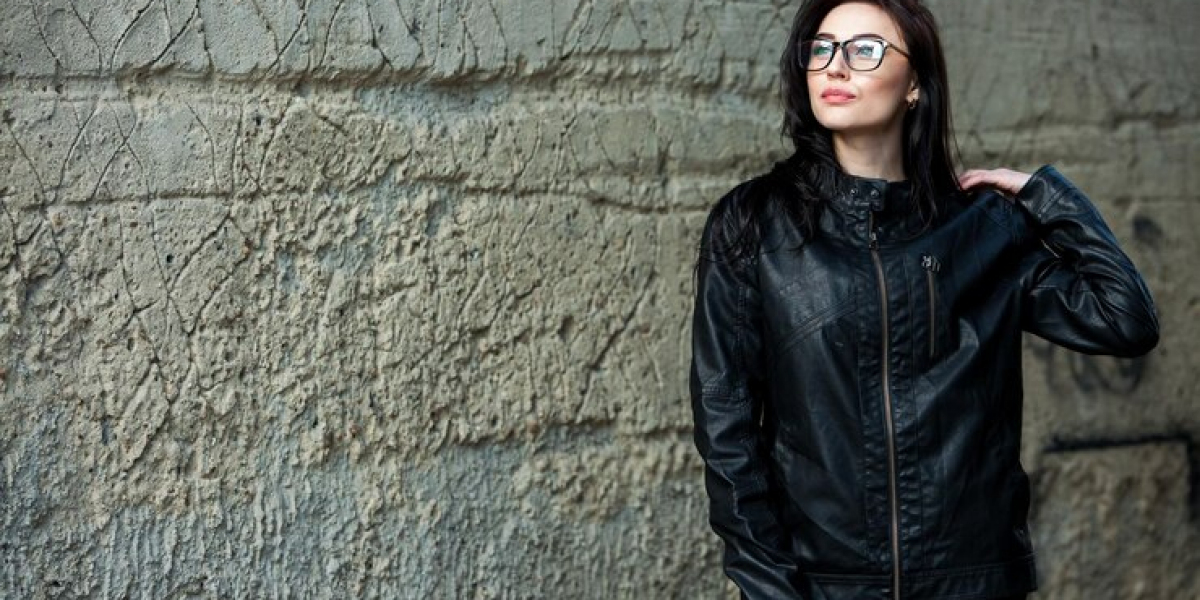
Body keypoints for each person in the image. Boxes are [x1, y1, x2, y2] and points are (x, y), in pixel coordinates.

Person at [687, 1, 1160, 599]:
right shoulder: (755, 224)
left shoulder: (983, 229)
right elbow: (726, 424)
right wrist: (771, 588)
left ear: (914, 83)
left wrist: (1046, 196)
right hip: (827, 585)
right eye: (822, 48)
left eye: (865, 50)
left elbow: (1125, 319)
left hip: (971, 583)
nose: (835, 66)